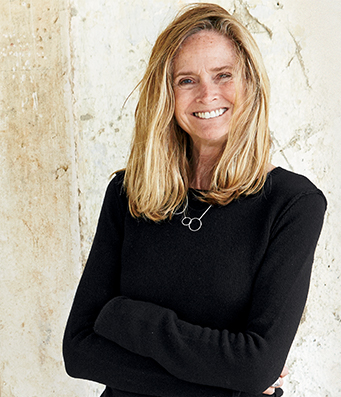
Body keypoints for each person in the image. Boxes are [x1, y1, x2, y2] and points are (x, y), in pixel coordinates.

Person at [62, 3, 326, 397]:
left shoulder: (293, 204)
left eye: (223, 75)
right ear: (166, 93)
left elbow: (256, 364)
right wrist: (231, 384)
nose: (208, 94)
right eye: (187, 80)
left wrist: (128, 318)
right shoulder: (127, 193)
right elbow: (79, 351)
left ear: (250, 83)